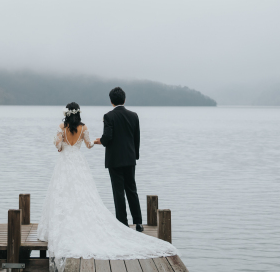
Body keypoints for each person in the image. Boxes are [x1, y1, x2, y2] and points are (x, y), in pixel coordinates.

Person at [37, 99, 176, 272]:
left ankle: (66, 225)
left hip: (64, 163)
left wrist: (62, 144)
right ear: (79, 113)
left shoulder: (61, 127)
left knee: (61, 194)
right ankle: (135, 222)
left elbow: (58, 145)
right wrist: (96, 142)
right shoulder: (84, 128)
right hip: (80, 163)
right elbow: (88, 145)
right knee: (84, 194)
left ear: (66, 114)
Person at [93, 87, 142, 229]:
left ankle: (123, 223)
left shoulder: (109, 116)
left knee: (118, 192)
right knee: (132, 189)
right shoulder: (134, 115)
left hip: (114, 160)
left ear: (111, 101)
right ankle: (138, 222)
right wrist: (135, 156)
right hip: (130, 158)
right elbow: (136, 138)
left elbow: (107, 138)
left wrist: (99, 141)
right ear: (124, 99)